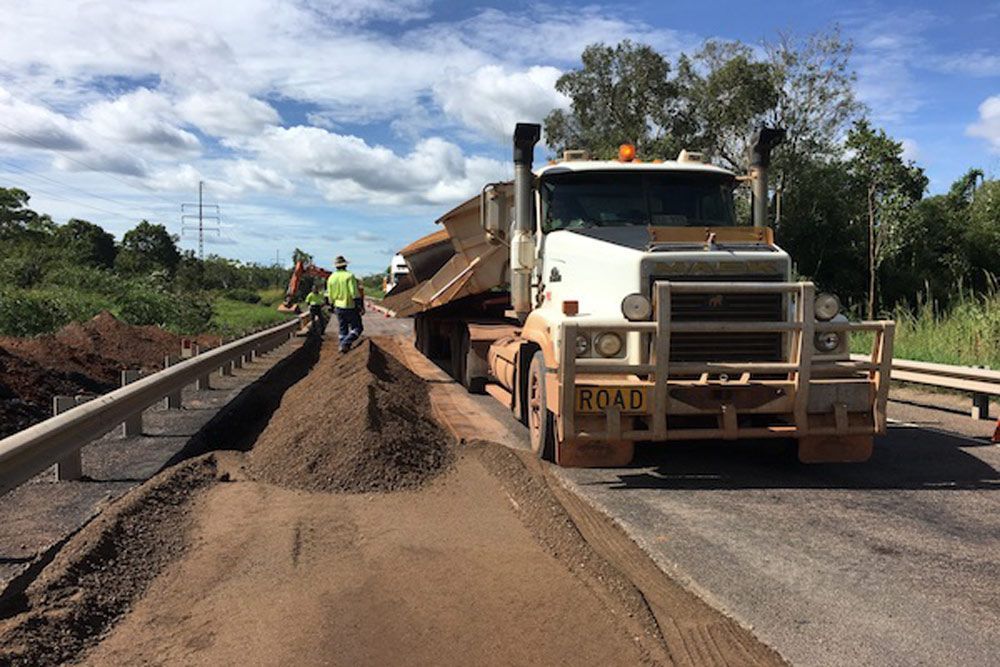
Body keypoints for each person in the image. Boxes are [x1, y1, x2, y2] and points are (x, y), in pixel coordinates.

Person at [326, 255, 365, 352]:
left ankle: (343, 346)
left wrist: (331, 306)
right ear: (345, 265)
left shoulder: (331, 278)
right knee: (358, 328)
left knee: (343, 328)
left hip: (338, 307)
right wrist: (359, 306)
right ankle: (345, 343)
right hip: (350, 306)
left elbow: (329, 295)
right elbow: (354, 293)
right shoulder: (349, 276)